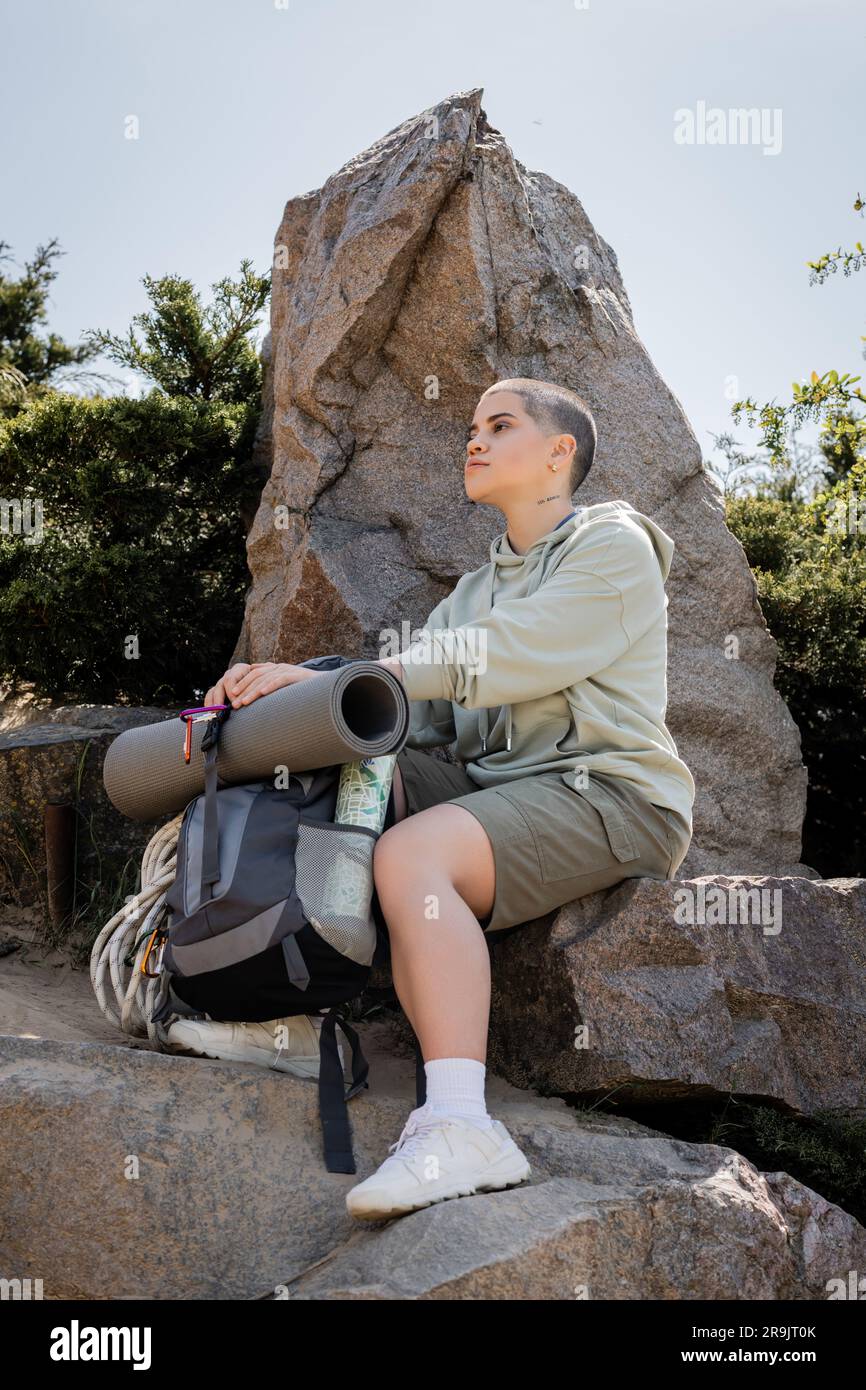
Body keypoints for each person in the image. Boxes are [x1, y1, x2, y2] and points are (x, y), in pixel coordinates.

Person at [202, 377, 696, 1222]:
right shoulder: (471, 590)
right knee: (328, 772)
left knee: (409, 852)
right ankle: (287, 1014)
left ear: (557, 451)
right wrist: (291, 698)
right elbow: (415, 709)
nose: (473, 440)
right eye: (470, 427)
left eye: (498, 425)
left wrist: (355, 676)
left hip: (609, 794)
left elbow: (514, 653)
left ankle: (464, 1126)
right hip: (494, 791)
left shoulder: (614, 544)